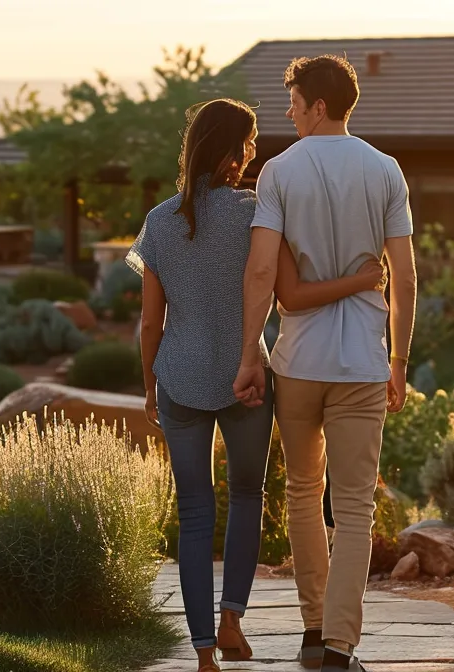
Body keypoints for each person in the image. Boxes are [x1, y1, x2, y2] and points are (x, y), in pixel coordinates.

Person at [130, 97, 385, 672]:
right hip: (248, 380)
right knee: (247, 495)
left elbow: (150, 320)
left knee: (194, 511)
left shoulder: (159, 221)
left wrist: (150, 385)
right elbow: (285, 291)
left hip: (179, 376)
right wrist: (366, 279)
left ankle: (201, 654)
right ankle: (231, 622)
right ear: (230, 150)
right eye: (247, 143)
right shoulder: (255, 211)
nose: (253, 153)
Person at [230, 55, 418, 672]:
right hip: (363, 361)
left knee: (305, 495)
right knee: (357, 506)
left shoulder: (279, 173)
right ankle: (339, 645)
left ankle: (313, 633)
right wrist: (399, 359)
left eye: (292, 101)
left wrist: (248, 353)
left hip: (300, 360)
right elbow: (406, 280)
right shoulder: (385, 169)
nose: (286, 111)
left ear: (316, 104)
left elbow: (262, 271)